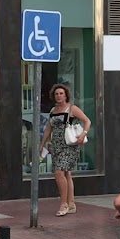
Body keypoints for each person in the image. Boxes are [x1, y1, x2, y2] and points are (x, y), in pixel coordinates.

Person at [39, 83, 91, 216]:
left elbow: (87, 120)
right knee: (66, 173)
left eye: (61, 93)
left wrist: (84, 134)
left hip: (69, 145)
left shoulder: (72, 108)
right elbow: (48, 129)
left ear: (66, 95)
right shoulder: (53, 111)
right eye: (56, 94)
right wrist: (42, 144)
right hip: (56, 145)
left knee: (58, 172)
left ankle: (64, 204)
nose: (59, 96)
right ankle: (71, 203)